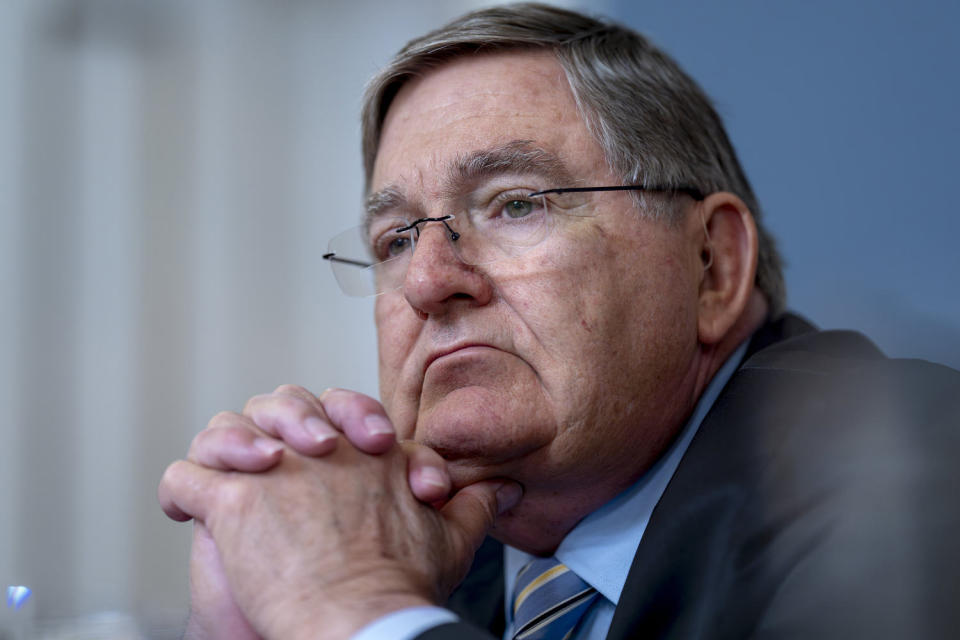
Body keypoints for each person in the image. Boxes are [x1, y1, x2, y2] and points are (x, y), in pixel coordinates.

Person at [158, 4, 960, 639]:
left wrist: (354, 607)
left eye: (515, 204)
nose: (430, 282)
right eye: (396, 239)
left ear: (712, 265)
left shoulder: (910, 466)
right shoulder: (435, 558)